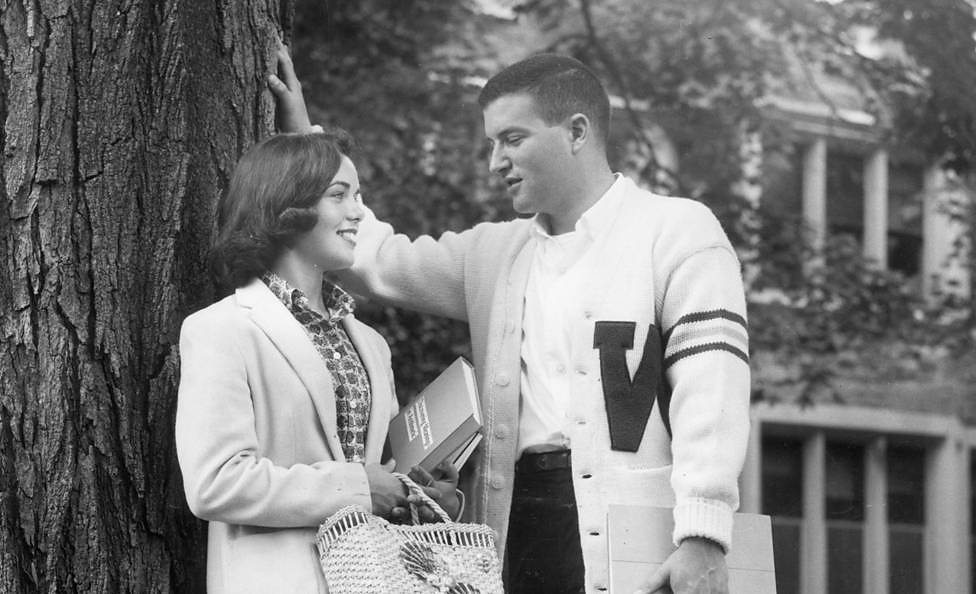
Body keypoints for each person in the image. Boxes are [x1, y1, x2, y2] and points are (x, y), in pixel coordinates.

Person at [271, 51, 749, 594]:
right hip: (516, 527)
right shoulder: (495, 253)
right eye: (491, 144)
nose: (496, 161)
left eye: (513, 138)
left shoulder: (678, 231)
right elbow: (376, 260)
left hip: (642, 535)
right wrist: (308, 146)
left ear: (576, 132)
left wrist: (704, 536)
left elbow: (712, 393)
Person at [174, 132, 459, 593]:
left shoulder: (370, 342)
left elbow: (379, 475)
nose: (358, 212)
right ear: (287, 206)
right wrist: (359, 489)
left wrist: (419, 493)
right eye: (339, 195)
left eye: (359, 196)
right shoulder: (220, 329)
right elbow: (216, 483)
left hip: (372, 579)